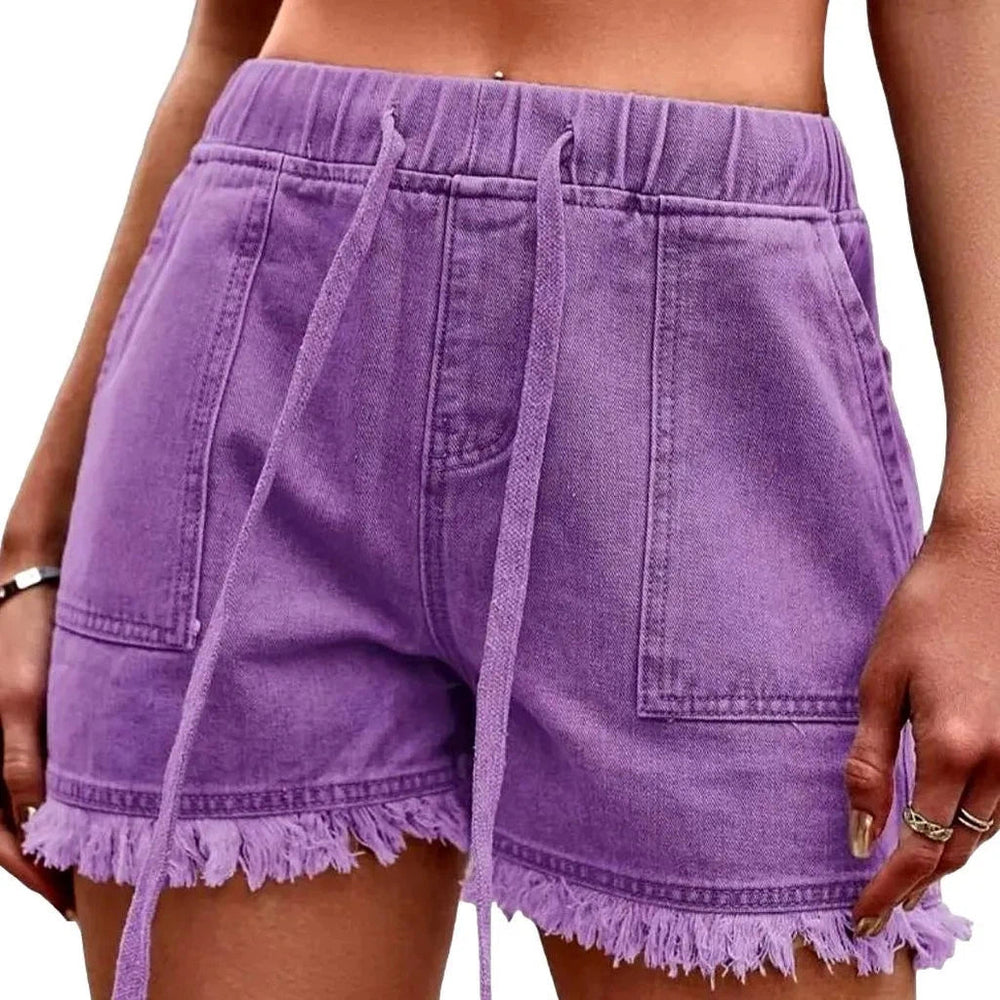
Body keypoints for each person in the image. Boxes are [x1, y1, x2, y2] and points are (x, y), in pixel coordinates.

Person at [1, 1, 996, 997]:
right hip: (264, 316)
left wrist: (985, 534)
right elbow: (229, 34)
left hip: (704, 352)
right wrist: (37, 539)